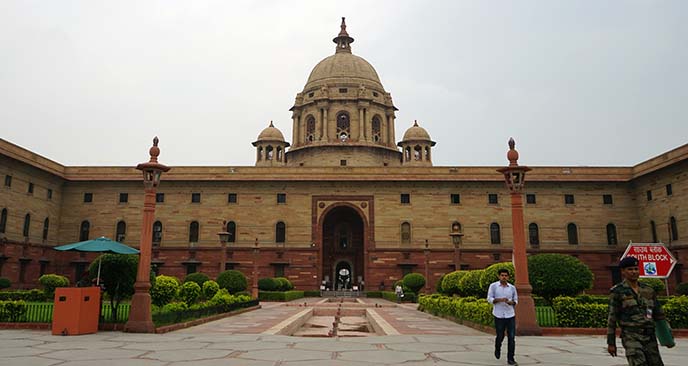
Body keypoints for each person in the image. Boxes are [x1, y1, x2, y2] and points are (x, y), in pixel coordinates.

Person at [607, 256, 673, 365]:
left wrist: (667, 337)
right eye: (630, 269)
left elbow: (659, 315)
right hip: (631, 337)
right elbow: (612, 318)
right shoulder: (617, 291)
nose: (634, 272)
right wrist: (611, 343)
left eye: (636, 269)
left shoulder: (648, 290)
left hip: (650, 337)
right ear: (623, 271)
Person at [487, 268, 518, 366]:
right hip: (499, 314)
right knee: (500, 335)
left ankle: (511, 358)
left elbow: (516, 300)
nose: (504, 277)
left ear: (508, 277)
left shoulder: (512, 288)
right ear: (499, 276)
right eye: (502, 275)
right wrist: (499, 300)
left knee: (511, 337)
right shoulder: (494, 286)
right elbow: (489, 298)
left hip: (510, 314)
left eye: (506, 275)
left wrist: (511, 302)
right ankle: (497, 347)